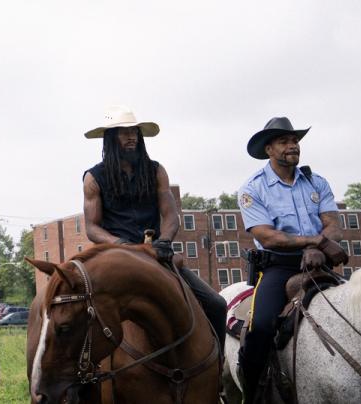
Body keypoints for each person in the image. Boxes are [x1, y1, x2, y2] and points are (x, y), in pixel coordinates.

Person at [81, 106, 227, 350]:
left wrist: (165, 241)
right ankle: (79, 381)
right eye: (124, 132)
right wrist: (122, 245)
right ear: (111, 138)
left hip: (158, 254)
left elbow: (171, 215)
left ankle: (217, 370)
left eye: (135, 132)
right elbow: (92, 228)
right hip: (116, 256)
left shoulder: (156, 171)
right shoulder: (94, 178)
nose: (132, 137)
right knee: (80, 314)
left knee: (216, 305)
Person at [237, 117, 347, 403]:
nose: (293, 145)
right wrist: (316, 241)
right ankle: (252, 392)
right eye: (285, 141)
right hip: (277, 266)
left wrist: (320, 249)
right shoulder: (253, 188)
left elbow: (332, 223)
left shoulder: (316, 181)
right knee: (260, 327)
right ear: (269, 149)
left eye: (295, 140)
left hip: (319, 262)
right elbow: (268, 236)